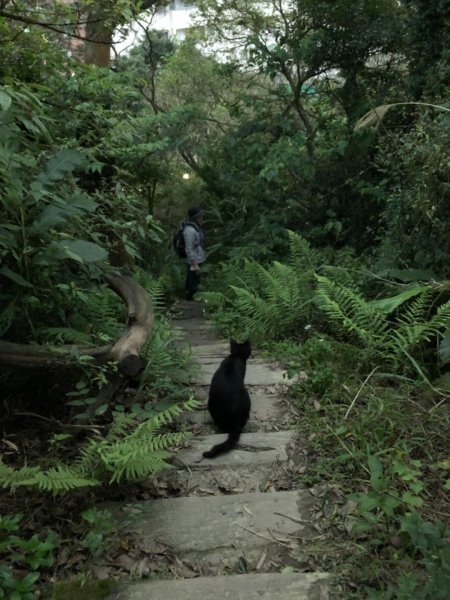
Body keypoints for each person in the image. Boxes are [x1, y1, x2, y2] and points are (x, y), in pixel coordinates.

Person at [183, 206, 206, 300]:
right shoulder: (189, 230)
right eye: (200, 216)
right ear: (196, 217)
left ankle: (192, 297)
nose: (202, 218)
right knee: (192, 280)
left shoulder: (195, 227)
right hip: (193, 260)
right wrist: (194, 263)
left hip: (197, 258)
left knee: (195, 279)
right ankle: (190, 299)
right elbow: (188, 249)